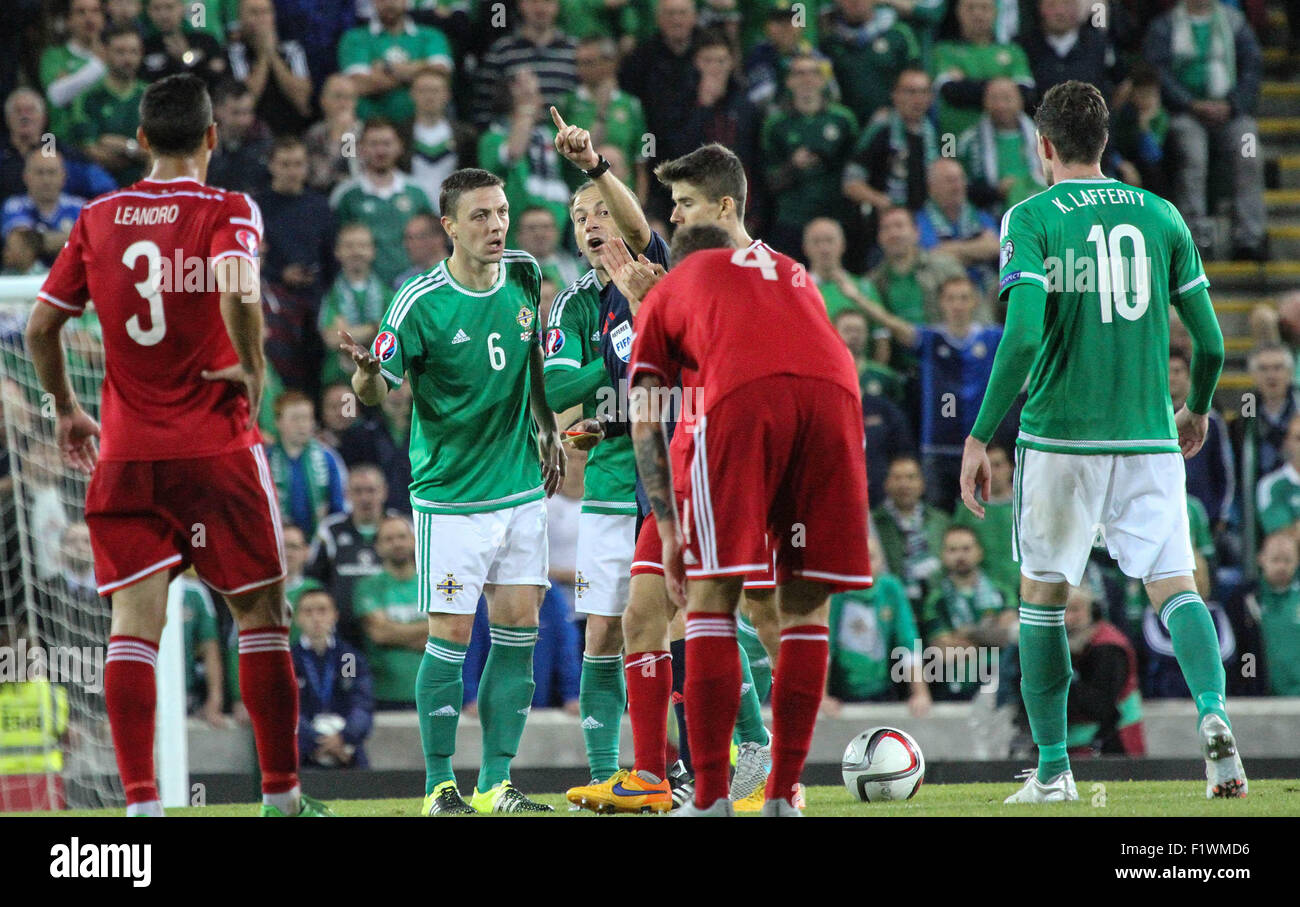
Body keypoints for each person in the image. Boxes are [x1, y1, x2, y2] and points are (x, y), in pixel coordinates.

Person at [25, 73, 330, 817]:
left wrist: (67, 407)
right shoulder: (228, 205)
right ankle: (283, 798)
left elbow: (39, 326)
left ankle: (141, 806)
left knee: (134, 625)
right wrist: (254, 362)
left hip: (127, 455)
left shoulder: (97, 216)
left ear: (139, 140)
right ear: (212, 138)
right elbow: (235, 277)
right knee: (261, 615)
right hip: (217, 446)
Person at [959, 80, 1243, 802]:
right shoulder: (1160, 214)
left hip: (1059, 438)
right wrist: (1198, 408)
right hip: (1149, 434)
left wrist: (978, 433)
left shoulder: (1031, 217)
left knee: (1043, 598)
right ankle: (1215, 719)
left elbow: (1022, 336)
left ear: (1043, 146)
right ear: (1105, 143)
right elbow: (1209, 341)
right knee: (1175, 585)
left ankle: (1054, 768)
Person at [553, 135, 778, 814]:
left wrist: (595, 166)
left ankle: (759, 756)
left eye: (681, 205)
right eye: (582, 216)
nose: (671, 218)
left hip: (716, 469)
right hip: (662, 477)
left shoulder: (679, 275)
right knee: (638, 619)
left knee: (720, 617)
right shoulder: (613, 295)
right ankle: (651, 773)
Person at [628, 218, 873, 817]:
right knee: (805, 605)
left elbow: (644, 417)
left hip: (741, 402)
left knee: (708, 600)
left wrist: (668, 528)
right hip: (838, 400)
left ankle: (711, 797)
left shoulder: (674, 285)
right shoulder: (790, 271)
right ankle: (784, 794)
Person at [340, 167, 565, 815]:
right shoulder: (418, 300)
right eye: (480, 216)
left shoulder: (525, 272)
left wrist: (547, 429)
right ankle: (439, 785)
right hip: (452, 497)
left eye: (501, 212)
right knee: (452, 634)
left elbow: (531, 366)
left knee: (519, 627)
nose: (496, 226)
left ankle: (496, 782)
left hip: (520, 486)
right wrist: (364, 378)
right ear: (449, 227)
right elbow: (376, 387)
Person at [850, 275, 1003, 509]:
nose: (957, 305)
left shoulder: (992, 338)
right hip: (937, 451)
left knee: (982, 517)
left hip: (980, 448)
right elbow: (893, 325)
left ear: (975, 301)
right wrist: (857, 298)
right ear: (941, 303)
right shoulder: (931, 339)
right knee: (937, 518)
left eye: (964, 298)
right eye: (951, 298)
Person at [1144, 0, 1267, 261]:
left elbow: (1252, 69)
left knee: (1249, 149)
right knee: (1192, 153)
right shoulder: (1165, 26)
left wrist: (1232, 104)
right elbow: (1159, 73)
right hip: (1184, 113)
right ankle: (1194, 238)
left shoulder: (1236, 22)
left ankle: (1250, 237)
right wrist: (1190, 103)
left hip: (1231, 113)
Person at [761, 52, 859, 258]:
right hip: (791, 220)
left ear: (823, 80)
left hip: (833, 217)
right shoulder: (776, 125)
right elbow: (767, 182)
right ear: (788, 81)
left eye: (814, 73)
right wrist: (793, 166)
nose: (807, 79)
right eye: (799, 73)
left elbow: (856, 171)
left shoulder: (843, 120)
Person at [824, 534, 930, 712]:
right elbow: (824, 644)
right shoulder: (835, 592)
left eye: (871, 557)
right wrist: (822, 697)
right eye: (857, 557)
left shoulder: (890, 588)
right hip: (841, 691)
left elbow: (908, 641)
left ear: (881, 561)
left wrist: (920, 693)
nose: (864, 563)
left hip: (883, 690)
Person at [330, 118, 435, 287]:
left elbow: (433, 243)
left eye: (386, 144)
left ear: (399, 146)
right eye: (373, 144)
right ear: (361, 148)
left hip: (409, 287)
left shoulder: (417, 193)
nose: (380, 151)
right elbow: (334, 244)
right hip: (363, 289)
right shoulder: (346, 195)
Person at [919, 525, 1016, 701]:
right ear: (943, 555)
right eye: (953, 550)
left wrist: (966, 634)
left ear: (979, 552)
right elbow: (943, 654)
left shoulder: (1002, 592)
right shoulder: (935, 600)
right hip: (958, 687)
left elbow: (1009, 638)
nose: (960, 556)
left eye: (966, 549)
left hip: (1001, 682)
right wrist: (988, 636)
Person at [308, 463, 397, 642]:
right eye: (358, 491)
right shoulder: (330, 530)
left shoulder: (401, 528)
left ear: (384, 491)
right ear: (346, 494)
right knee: (349, 669)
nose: (365, 498)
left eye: (371, 490)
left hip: (393, 631)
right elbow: (315, 581)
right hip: (343, 635)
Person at [294, 588, 374, 768]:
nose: (316, 618)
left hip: (346, 749)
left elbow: (360, 703)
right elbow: (285, 710)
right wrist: (315, 741)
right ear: (298, 618)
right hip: (303, 752)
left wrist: (343, 737)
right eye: (308, 612)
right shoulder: (290, 661)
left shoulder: (347, 658)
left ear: (334, 616)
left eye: (322, 611)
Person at [1064, 580, 1146, 756]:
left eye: (1075, 609)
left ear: (1092, 610)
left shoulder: (1109, 647)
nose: (1068, 618)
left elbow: (1101, 704)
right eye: (1063, 610)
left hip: (1115, 740)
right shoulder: (1065, 645)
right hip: (1077, 740)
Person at [338, 0, 453, 124]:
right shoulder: (355, 38)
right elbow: (359, 84)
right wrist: (421, 71)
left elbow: (441, 72)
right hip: (369, 127)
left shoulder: (431, 35)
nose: (389, 3)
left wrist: (388, 69)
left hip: (418, 128)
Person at [353, 515, 426, 708]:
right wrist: (428, 630)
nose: (397, 543)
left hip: (432, 691)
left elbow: (448, 633)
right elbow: (380, 634)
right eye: (389, 539)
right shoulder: (368, 586)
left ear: (414, 540)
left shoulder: (432, 583)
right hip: (386, 694)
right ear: (377, 546)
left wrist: (396, 633)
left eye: (402, 537)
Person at [69, 24, 149, 186]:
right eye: (120, 52)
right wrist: (141, 155)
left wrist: (127, 147)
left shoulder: (153, 96)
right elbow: (91, 152)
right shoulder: (88, 98)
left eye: (133, 52)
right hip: (100, 188)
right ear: (105, 53)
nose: (128, 59)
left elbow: (162, 154)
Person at [226, 0, 314, 136]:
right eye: (254, 13)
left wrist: (273, 55)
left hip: (292, 133)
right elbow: (247, 99)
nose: (261, 19)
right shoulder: (234, 52)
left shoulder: (292, 49)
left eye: (266, 12)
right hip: (250, 135)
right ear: (241, 18)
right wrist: (263, 57)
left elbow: (302, 100)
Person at [267, 390, 346, 537]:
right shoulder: (267, 459)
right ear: (278, 422)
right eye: (295, 419)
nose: (302, 425)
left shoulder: (328, 458)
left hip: (319, 540)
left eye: (307, 418)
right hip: (277, 539)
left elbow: (338, 506)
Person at [874, 455, 949, 608]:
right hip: (890, 602)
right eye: (897, 478)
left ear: (922, 483)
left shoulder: (940, 520)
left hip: (936, 602)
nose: (904, 484)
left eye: (911, 477)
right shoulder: (874, 522)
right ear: (886, 484)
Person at [318, 222, 389, 387]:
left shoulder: (387, 294)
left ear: (373, 251)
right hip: (341, 381)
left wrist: (350, 332)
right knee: (347, 411)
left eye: (363, 246)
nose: (356, 252)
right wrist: (373, 329)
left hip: (379, 380)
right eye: (349, 246)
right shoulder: (331, 295)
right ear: (337, 251)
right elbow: (333, 339)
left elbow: (394, 336)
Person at [1, 153, 84, 268]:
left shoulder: (80, 207)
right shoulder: (15, 205)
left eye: (52, 173)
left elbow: (92, 244)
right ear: (26, 176)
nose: (46, 180)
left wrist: (38, 241)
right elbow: (21, 248)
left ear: (63, 176)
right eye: (39, 173)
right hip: (28, 282)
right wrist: (72, 239)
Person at [140, 0, 229, 88]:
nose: (163, 15)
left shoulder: (205, 42)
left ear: (181, 8)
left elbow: (218, 78)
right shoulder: (145, 46)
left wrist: (185, 57)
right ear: (149, 12)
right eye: (156, 9)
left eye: (169, 7)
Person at [1253, 531, 1300, 696]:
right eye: (1275, 560)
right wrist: (1247, 684)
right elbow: (1245, 653)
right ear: (1261, 559)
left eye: (1287, 560)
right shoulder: (1246, 600)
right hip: (1261, 696)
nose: (1281, 566)